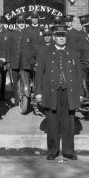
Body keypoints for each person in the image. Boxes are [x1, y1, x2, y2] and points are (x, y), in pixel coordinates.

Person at [35, 25, 83, 161]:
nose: (61, 38)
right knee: (52, 123)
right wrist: (38, 92)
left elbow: (79, 75)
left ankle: (68, 151)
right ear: (54, 37)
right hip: (51, 93)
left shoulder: (73, 53)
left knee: (69, 123)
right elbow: (38, 75)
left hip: (69, 92)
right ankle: (53, 151)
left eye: (63, 36)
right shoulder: (45, 53)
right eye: (59, 36)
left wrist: (80, 92)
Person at [9, 15, 37, 106]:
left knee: (26, 80)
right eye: (19, 23)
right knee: (15, 81)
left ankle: (26, 97)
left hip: (26, 62)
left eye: (23, 23)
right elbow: (8, 48)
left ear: (25, 24)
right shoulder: (12, 34)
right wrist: (8, 61)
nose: (21, 24)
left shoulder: (29, 33)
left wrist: (32, 60)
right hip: (15, 62)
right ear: (16, 24)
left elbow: (33, 48)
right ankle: (17, 99)